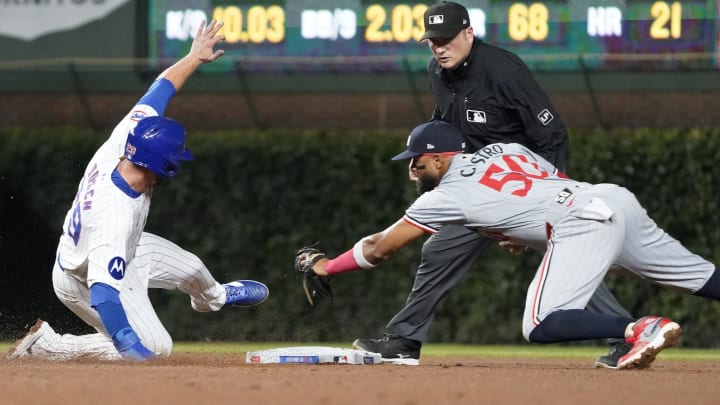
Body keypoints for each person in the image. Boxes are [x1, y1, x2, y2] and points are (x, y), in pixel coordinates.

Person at [299, 120, 720, 369]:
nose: (412, 169)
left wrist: (327, 266)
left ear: (442, 160)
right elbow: (538, 187)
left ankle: (638, 329)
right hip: (611, 198)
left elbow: (379, 248)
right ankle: (638, 329)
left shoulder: (444, 195)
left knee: (540, 323)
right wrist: (524, 228)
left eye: (418, 161)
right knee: (699, 276)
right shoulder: (507, 149)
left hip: (581, 222)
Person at [352, 1, 634, 367]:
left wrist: (545, 199)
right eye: (432, 40)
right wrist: (426, 156)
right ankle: (404, 340)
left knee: (567, 257)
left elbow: (552, 133)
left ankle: (629, 335)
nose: (439, 47)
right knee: (438, 252)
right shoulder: (436, 71)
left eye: (447, 38)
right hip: (475, 190)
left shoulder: (504, 70)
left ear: (469, 33)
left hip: (525, 188)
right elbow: (446, 124)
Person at [7, 19, 269, 362]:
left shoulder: (126, 140)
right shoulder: (115, 215)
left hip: (118, 246)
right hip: (83, 279)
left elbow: (160, 90)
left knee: (191, 269)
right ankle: (49, 346)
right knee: (157, 347)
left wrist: (194, 58)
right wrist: (133, 349)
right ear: (163, 167)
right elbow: (103, 296)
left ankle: (216, 296)